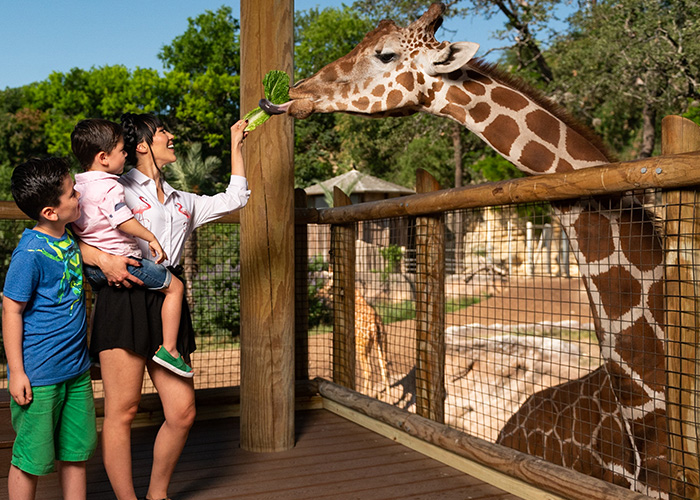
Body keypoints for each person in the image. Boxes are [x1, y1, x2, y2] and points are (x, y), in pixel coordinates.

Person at [79, 113, 249, 500]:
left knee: (182, 411)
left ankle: (158, 495)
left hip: (168, 294)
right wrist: (100, 258)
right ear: (141, 146)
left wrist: (236, 142)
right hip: (124, 297)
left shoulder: (181, 200)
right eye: (162, 133)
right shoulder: (111, 185)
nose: (172, 137)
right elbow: (68, 233)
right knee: (123, 411)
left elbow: (236, 198)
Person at [2, 158, 97, 500]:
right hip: (40, 377)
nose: (78, 195)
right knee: (30, 459)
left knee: (76, 455)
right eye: (72, 193)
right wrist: (16, 372)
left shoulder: (68, 237)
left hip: (77, 371)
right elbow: (11, 310)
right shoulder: (28, 254)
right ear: (50, 212)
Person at [70, 118, 192, 378]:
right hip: (127, 264)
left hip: (94, 272)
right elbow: (122, 220)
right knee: (176, 287)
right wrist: (150, 236)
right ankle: (169, 349)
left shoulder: (77, 188)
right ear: (103, 157)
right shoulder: (111, 186)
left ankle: (95, 357)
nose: (126, 154)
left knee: (97, 300)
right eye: (122, 150)